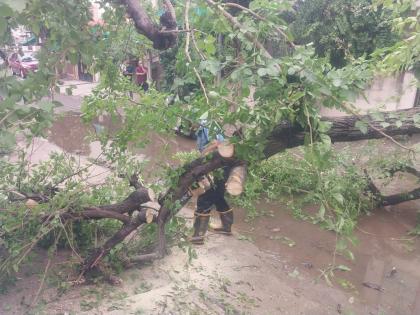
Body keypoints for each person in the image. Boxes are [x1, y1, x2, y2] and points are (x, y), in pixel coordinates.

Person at [190, 120, 234, 245]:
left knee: (205, 198)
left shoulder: (206, 125)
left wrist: (201, 158)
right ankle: (226, 226)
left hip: (217, 167)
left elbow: (216, 143)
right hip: (221, 165)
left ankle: (197, 236)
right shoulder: (201, 128)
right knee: (218, 196)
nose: (190, 127)